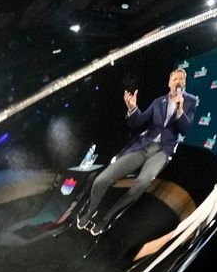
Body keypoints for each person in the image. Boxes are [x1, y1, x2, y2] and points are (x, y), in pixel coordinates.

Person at [77, 67, 196, 235]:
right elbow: (138, 123)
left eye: (181, 80)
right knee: (101, 179)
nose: (178, 82)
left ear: (184, 83)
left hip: (162, 151)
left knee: (142, 183)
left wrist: (180, 110)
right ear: (169, 83)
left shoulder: (190, 101)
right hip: (143, 146)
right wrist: (133, 109)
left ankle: (107, 218)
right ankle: (89, 212)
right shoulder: (158, 102)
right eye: (175, 79)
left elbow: (185, 129)